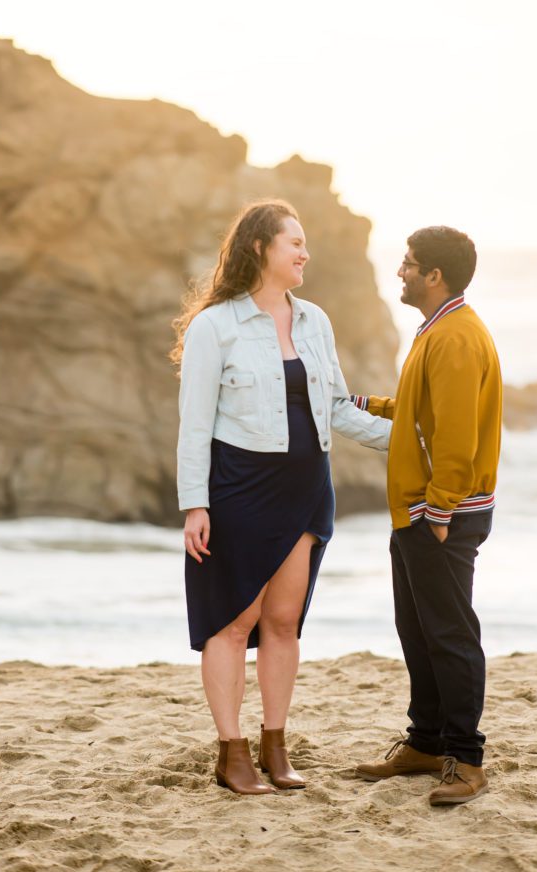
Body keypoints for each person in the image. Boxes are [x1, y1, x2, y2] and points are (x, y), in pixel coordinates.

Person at [172, 199, 391, 796]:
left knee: (283, 621)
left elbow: (339, 408)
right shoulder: (214, 326)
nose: (304, 252)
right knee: (233, 622)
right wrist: (196, 504)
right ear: (259, 248)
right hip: (239, 490)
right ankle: (231, 751)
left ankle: (274, 744)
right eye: (293, 241)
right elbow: (194, 424)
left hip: (306, 488)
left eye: (305, 242)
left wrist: (408, 444)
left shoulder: (315, 320)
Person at [352, 226, 502, 805]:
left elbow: (458, 438)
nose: (401, 272)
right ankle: (425, 741)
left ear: (434, 275)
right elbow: (424, 410)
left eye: (409, 264)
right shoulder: (438, 330)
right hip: (415, 509)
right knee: (416, 628)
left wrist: (440, 511)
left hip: (441, 513)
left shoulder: (458, 337)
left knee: (450, 634)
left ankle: (465, 759)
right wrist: (364, 405)